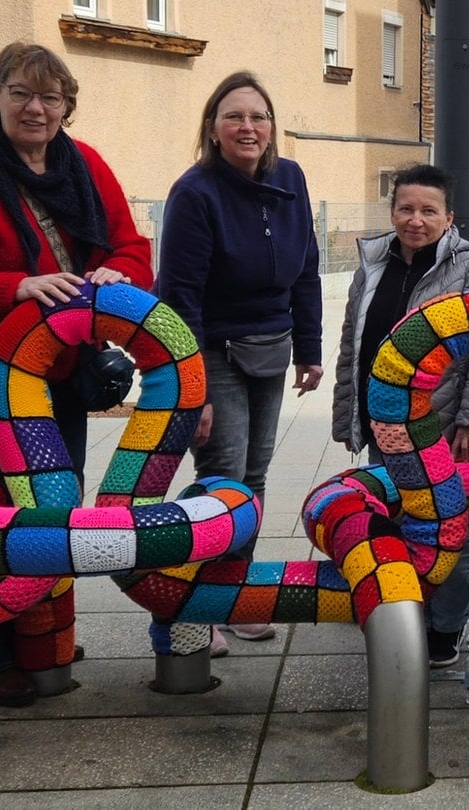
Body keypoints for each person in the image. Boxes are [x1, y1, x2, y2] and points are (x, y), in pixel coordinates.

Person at [0, 42, 153, 706]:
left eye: (50, 96)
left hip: (52, 360)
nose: (36, 108)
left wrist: (115, 273)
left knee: (52, 498)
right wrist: (16, 286)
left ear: (67, 103)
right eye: (21, 93)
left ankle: (39, 631)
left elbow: (130, 245)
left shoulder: (84, 165)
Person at [158, 71, 323, 650]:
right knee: (222, 475)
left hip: (271, 349)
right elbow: (179, 296)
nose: (248, 127)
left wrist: (309, 348)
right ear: (213, 129)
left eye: (258, 116)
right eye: (235, 117)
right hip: (214, 352)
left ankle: (232, 593)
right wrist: (193, 385)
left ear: (272, 126)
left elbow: (306, 267)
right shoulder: (195, 193)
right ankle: (204, 602)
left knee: (253, 477)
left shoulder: (291, 179)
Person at [332, 164, 469, 667]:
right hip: (384, 423)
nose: (415, 220)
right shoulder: (373, 264)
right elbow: (353, 345)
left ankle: (445, 628)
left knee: (448, 526)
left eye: (429, 210)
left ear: (448, 218)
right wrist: (350, 417)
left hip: (446, 426)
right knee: (393, 516)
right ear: (392, 212)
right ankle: (400, 607)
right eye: (406, 208)